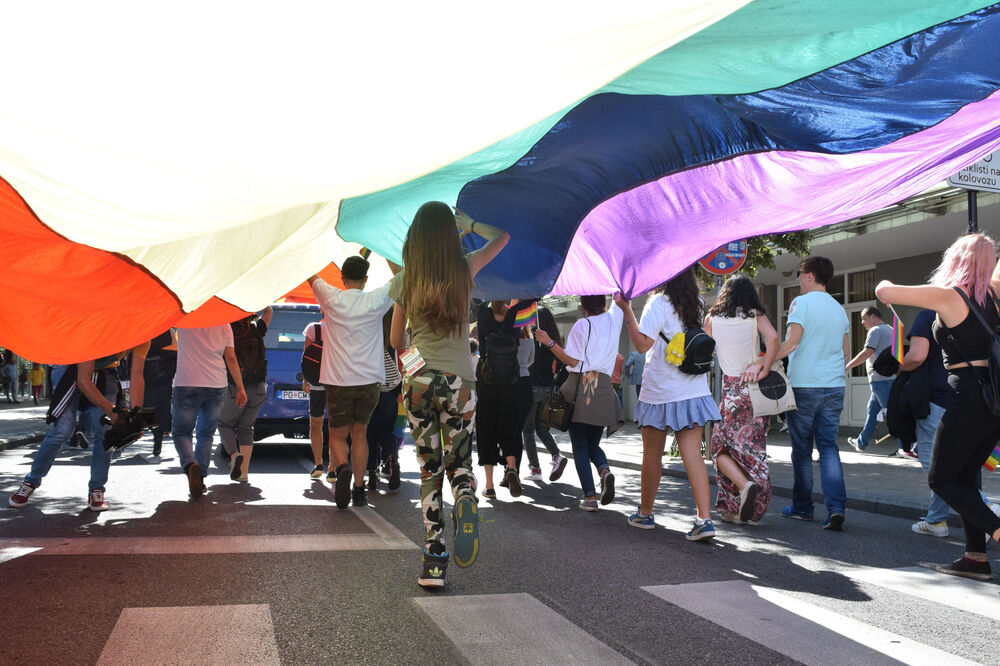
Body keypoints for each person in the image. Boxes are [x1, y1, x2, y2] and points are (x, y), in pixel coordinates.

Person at [389, 201, 509, 588]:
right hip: (460, 383)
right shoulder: (466, 267)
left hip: (419, 379)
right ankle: (466, 499)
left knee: (429, 470)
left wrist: (414, 368)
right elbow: (503, 237)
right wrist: (470, 223)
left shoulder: (407, 278)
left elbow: (394, 340)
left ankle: (434, 560)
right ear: (448, 234)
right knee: (459, 465)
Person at [876, 233, 1000, 581]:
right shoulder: (996, 295)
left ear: (956, 259)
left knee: (941, 479)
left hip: (966, 396)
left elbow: (886, 291)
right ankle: (976, 557)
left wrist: (882, 281)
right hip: (994, 400)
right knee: (964, 477)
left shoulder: (948, 296)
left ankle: (996, 531)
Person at [616, 268, 721, 540]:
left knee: (652, 454)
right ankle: (704, 519)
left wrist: (627, 310)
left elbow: (641, 345)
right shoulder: (695, 302)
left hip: (661, 392)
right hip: (693, 390)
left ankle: (645, 514)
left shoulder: (658, 303)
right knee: (692, 454)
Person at [9, 343, 149, 511]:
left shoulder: (145, 333)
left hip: (106, 372)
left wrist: (135, 415)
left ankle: (96, 489)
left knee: (106, 432)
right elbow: (83, 380)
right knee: (63, 429)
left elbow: (137, 374)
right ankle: (30, 481)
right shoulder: (103, 325)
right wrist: (112, 411)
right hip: (69, 366)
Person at [308, 254, 399, 509]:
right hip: (369, 381)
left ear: (342, 278)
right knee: (360, 434)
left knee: (338, 435)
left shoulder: (331, 297)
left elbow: (310, 272)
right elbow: (402, 276)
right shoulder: (376, 299)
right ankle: (359, 489)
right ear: (366, 279)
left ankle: (342, 467)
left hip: (337, 381)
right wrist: (386, 250)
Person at [775, 256, 851, 530]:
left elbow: (792, 343)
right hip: (834, 386)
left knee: (802, 450)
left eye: (799, 273)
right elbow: (846, 353)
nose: (797, 279)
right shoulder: (838, 309)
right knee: (829, 447)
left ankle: (803, 507)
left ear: (809, 275)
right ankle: (836, 508)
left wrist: (766, 360)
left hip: (804, 386)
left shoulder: (801, 304)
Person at [536, 294, 624, 512]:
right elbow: (621, 297)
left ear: (584, 305)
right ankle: (604, 471)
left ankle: (590, 498)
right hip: (604, 386)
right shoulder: (615, 318)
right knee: (593, 443)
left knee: (580, 445)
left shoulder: (582, 324)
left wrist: (549, 342)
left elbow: (572, 360)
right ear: (604, 302)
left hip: (583, 386)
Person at [703, 275, 778, 524]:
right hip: (755, 388)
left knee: (719, 449)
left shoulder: (712, 319)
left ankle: (744, 488)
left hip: (731, 390)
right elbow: (774, 338)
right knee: (751, 447)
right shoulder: (754, 315)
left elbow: (706, 351)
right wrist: (764, 367)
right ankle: (743, 500)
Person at [900, 309, 958, 538]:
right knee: (963, 461)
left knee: (936, 463)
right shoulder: (978, 311)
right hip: (972, 398)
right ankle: (937, 520)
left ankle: (985, 510)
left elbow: (917, 356)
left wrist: (899, 366)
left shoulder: (929, 315)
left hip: (937, 399)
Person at [173, 324, 247, 498]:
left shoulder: (185, 316)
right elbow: (230, 358)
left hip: (187, 382)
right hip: (216, 383)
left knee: (182, 432)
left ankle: (191, 465)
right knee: (206, 434)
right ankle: (200, 478)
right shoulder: (224, 323)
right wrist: (240, 388)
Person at [475, 299, 535, 499]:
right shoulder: (516, 315)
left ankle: (489, 485)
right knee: (509, 428)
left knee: (487, 430)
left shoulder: (483, 315)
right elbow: (532, 296)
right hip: (511, 382)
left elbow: (472, 292)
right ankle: (511, 468)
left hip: (486, 381)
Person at [218, 306, 272, 483]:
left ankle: (234, 455)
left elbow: (229, 358)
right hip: (258, 387)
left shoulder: (227, 331)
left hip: (235, 387)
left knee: (224, 423)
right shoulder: (257, 329)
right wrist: (257, 300)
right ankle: (244, 472)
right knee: (246, 428)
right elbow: (269, 311)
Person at [521, 306, 569, 483]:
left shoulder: (532, 334)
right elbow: (563, 365)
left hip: (531, 385)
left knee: (527, 430)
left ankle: (535, 469)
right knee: (541, 427)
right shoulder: (552, 339)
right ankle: (557, 456)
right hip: (548, 387)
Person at [846, 306, 898, 453]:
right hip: (889, 377)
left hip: (879, 379)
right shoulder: (891, 329)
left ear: (873, 316)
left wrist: (848, 366)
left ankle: (905, 447)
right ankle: (861, 443)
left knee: (893, 414)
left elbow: (868, 351)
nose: (862, 322)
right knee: (872, 411)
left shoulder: (875, 330)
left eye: (864, 318)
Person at [366, 311, 402, 493]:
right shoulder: (398, 334)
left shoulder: (369, 331)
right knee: (387, 432)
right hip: (392, 387)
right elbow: (408, 357)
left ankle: (372, 474)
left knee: (369, 434)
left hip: (370, 388)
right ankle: (392, 457)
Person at [143, 328, 177, 456]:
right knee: (162, 404)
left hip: (150, 372)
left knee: (150, 404)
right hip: (163, 372)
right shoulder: (169, 332)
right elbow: (175, 350)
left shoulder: (146, 329)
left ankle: (157, 434)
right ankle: (159, 433)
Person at [301, 320, 327, 479]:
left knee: (316, 424)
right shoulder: (342, 327)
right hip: (337, 383)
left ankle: (318, 464)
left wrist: (305, 380)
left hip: (317, 383)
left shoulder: (313, 328)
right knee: (337, 426)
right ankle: (333, 467)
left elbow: (306, 355)